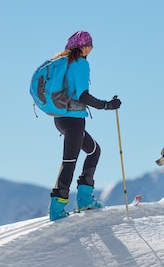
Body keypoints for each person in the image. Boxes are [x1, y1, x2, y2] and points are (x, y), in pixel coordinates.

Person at [48, 30, 122, 221]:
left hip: (60, 118)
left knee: (94, 151)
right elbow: (83, 96)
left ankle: (84, 199)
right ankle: (57, 209)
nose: (91, 49)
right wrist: (107, 105)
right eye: (89, 45)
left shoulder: (64, 64)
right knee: (69, 162)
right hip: (73, 121)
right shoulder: (81, 64)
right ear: (83, 47)